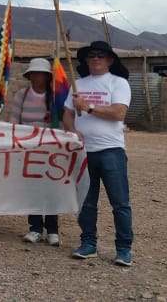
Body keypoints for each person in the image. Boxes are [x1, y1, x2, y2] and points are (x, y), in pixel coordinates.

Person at [63, 40, 135, 267]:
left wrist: (89, 107)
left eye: (100, 55)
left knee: (120, 202)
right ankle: (88, 244)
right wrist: (72, 130)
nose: (95, 59)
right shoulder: (77, 85)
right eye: (91, 55)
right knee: (86, 201)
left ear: (110, 60)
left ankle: (123, 249)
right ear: (86, 60)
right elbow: (67, 113)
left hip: (110, 150)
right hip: (83, 152)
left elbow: (119, 113)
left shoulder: (118, 83)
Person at [8, 58, 61, 246]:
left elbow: (62, 123)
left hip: (51, 151)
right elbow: (14, 123)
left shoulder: (56, 98)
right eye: (34, 74)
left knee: (51, 190)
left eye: (40, 74)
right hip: (28, 150)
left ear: (47, 76)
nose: (36, 77)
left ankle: (53, 229)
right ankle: (35, 228)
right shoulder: (21, 96)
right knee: (33, 190)